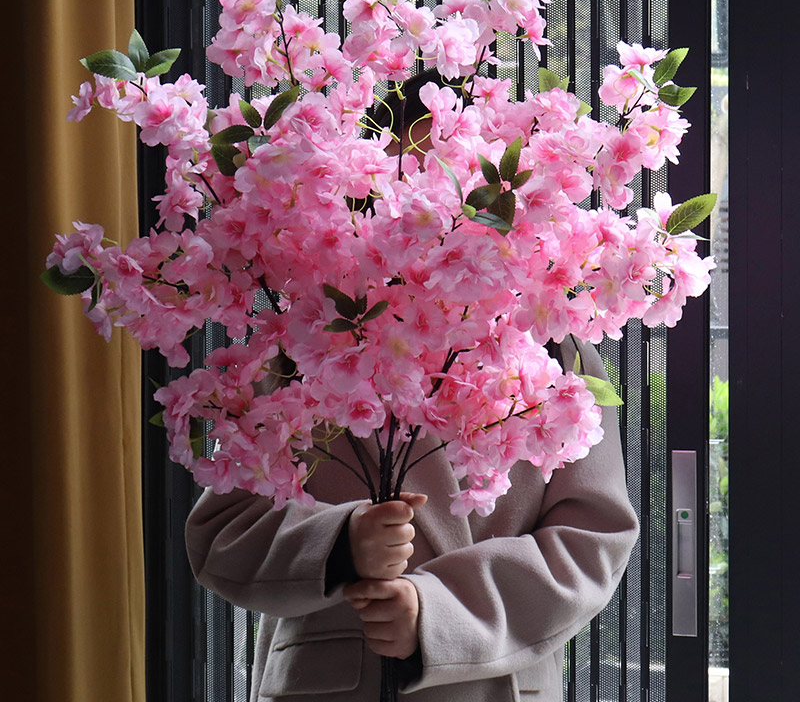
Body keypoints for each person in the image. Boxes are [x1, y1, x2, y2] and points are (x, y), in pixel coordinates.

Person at [184, 74, 639, 701]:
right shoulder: (309, 341)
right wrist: (342, 544)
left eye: (459, 164)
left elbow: (592, 544)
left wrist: (439, 614)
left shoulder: (558, 349)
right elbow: (221, 537)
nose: (440, 193)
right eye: (414, 166)